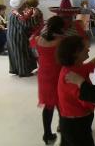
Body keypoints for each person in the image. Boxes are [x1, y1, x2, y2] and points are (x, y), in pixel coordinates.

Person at [30, 16, 65, 145]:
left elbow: (31, 42)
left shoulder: (38, 39)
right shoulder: (61, 41)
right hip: (58, 74)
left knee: (48, 106)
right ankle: (63, 130)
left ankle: (47, 134)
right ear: (60, 28)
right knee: (62, 104)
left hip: (44, 76)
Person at [8, 0, 40, 77]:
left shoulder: (14, 12)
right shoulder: (18, 14)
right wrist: (34, 18)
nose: (26, 5)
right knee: (21, 53)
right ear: (21, 5)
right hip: (18, 36)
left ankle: (16, 69)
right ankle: (24, 71)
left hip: (12, 35)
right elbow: (26, 25)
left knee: (15, 53)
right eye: (24, 4)